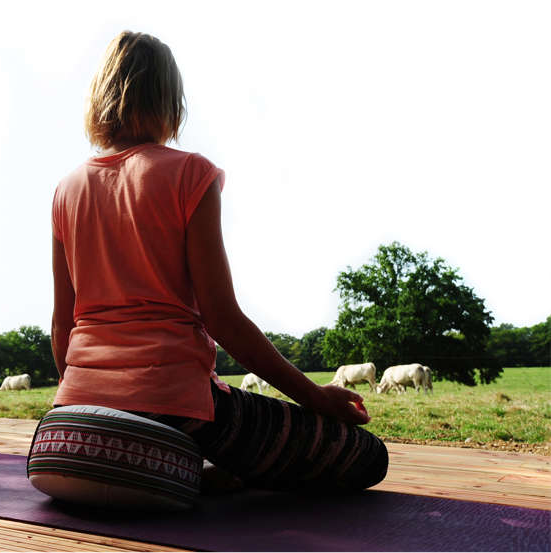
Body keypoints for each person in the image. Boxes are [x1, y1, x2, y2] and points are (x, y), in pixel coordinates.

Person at [51, 30, 388, 493]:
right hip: (175, 402)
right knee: (368, 457)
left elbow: (62, 328)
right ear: (170, 99)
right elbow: (222, 320)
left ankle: (171, 468)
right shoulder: (190, 174)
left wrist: (81, 404)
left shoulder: (66, 190)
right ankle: (198, 471)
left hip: (77, 406)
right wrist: (315, 397)